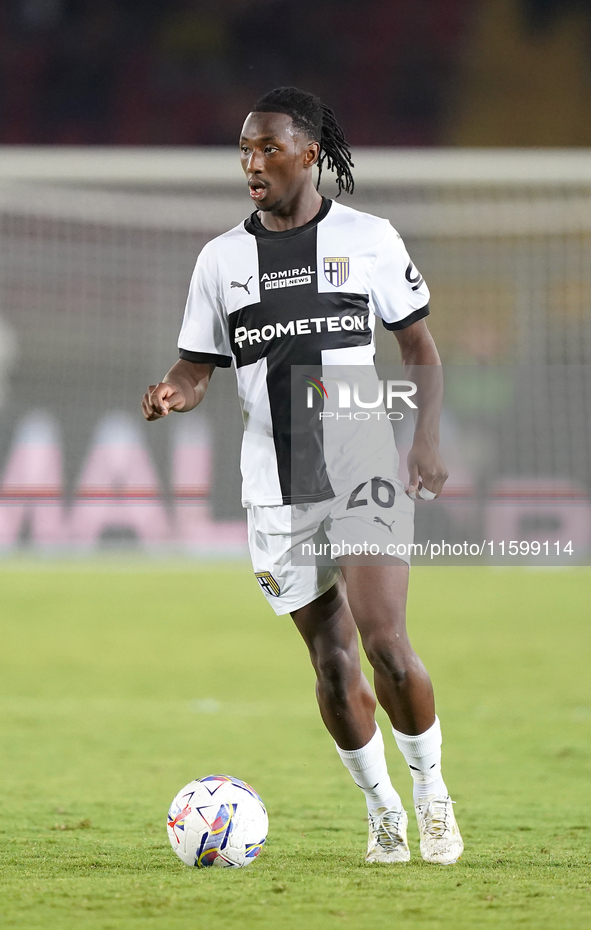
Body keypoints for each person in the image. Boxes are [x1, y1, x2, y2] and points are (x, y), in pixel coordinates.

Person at [142, 86, 463, 865]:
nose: (252, 164)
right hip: (272, 472)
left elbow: (418, 349)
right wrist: (175, 391)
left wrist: (423, 440)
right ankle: (380, 806)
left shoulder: (370, 238)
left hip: (359, 444)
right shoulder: (221, 259)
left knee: (386, 642)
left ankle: (431, 795)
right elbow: (197, 364)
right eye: (244, 151)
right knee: (331, 661)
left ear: (309, 152)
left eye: (267, 149)